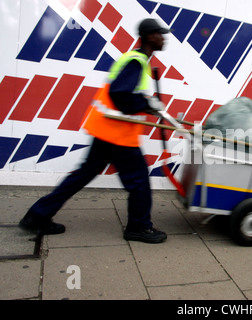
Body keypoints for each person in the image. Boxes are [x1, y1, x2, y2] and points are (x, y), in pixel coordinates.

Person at [19, 19, 169, 244]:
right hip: (118, 135)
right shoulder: (137, 62)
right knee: (139, 182)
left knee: (81, 176)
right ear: (149, 37)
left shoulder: (136, 59)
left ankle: (36, 216)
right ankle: (138, 227)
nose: (163, 38)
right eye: (160, 34)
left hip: (105, 130)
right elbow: (120, 94)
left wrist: (147, 103)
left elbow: (122, 93)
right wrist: (146, 104)